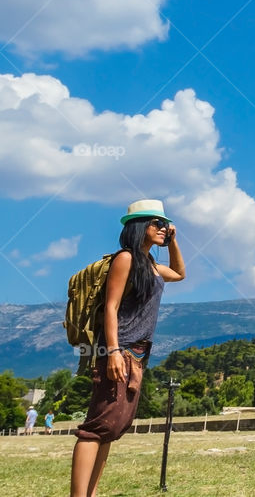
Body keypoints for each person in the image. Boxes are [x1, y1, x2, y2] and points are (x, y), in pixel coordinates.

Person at [70, 199, 185, 497]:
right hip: (119, 350)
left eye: (164, 224)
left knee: (110, 428)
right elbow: (111, 307)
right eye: (157, 224)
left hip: (137, 354)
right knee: (95, 427)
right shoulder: (126, 259)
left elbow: (180, 273)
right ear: (139, 227)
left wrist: (174, 241)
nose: (163, 228)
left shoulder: (151, 265)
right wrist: (112, 352)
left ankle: (90, 493)